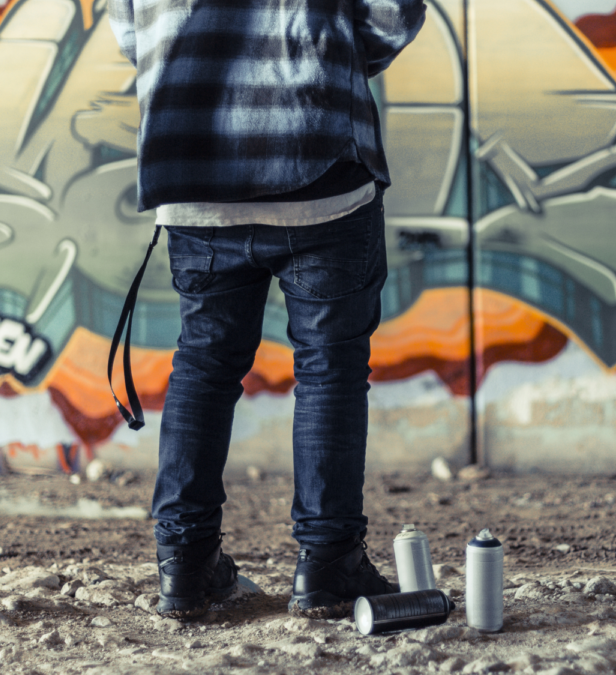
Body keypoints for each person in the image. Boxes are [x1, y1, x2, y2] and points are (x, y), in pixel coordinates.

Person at [105, 0, 427, 619]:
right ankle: (328, 565)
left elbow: (130, 28)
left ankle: (185, 564)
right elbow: (393, 13)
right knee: (330, 369)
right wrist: (325, 61)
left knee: (203, 362)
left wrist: (195, 65)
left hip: (191, 162)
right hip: (321, 160)